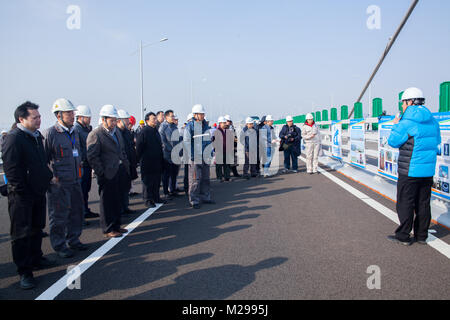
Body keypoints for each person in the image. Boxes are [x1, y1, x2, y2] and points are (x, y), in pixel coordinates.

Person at [2, 102, 55, 289]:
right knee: (21, 234)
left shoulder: (35, 136)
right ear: (21, 119)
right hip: (22, 197)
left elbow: (41, 162)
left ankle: (36, 258)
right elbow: (12, 170)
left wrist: (47, 178)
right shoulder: (14, 139)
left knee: (37, 228)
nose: (39, 120)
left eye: (39, 116)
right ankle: (24, 271)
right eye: (35, 117)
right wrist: (21, 191)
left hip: (37, 192)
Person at [387, 87, 441, 246]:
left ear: (409, 102)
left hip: (410, 170)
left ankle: (403, 236)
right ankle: (421, 236)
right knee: (423, 203)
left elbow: (393, 141)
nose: (402, 106)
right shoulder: (433, 121)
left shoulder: (405, 123)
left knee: (405, 202)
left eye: (403, 103)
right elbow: (436, 141)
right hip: (427, 170)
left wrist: (396, 125)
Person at [44, 98, 88, 258]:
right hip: (59, 184)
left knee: (77, 211)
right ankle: (59, 244)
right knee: (58, 215)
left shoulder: (74, 132)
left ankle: (74, 239)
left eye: (72, 112)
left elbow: (79, 153)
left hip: (76, 179)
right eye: (68, 113)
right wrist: (52, 178)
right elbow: (44, 159)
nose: (72, 115)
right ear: (58, 115)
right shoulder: (51, 133)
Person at [87, 105, 130, 238]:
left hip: (119, 171)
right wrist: (102, 172)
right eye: (111, 120)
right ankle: (108, 228)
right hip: (107, 174)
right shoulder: (96, 134)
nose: (114, 123)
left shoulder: (116, 132)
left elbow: (121, 150)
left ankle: (116, 225)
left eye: (115, 120)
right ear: (104, 119)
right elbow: (92, 156)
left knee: (117, 200)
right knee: (107, 202)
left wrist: (125, 164)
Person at [183, 104, 214, 209]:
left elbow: (208, 141)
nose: (203, 115)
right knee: (195, 180)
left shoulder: (205, 125)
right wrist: (192, 156)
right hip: (195, 157)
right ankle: (194, 200)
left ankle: (206, 197)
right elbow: (186, 142)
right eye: (201, 114)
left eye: (203, 114)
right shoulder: (189, 127)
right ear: (195, 115)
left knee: (206, 178)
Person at [74, 105, 98, 221]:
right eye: (87, 117)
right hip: (82, 164)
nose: (89, 119)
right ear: (80, 117)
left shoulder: (87, 129)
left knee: (86, 189)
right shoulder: (76, 130)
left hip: (88, 164)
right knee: (80, 191)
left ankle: (85, 210)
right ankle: (81, 214)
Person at [136, 112, 165, 208]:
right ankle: (147, 199)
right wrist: (141, 160)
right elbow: (139, 147)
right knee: (147, 182)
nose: (155, 120)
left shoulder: (155, 131)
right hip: (147, 162)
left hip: (157, 161)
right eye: (153, 119)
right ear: (147, 120)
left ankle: (156, 197)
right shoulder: (144, 132)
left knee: (156, 181)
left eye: (156, 119)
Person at [117, 109, 138, 215]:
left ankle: (125, 206)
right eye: (125, 119)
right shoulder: (116, 133)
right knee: (120, 189)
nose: (128, 122)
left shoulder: (126, 132)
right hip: (121, 165)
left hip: (129, 163)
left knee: (126, 187)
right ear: (119, 120)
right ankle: (120, 208)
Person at [159, 110, 181, 199]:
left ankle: (172, 190)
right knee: (166, 174)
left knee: (174, 173)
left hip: (175, 153)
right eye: (171, 116)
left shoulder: (174, 127)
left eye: (173, 116)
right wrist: (171, 150)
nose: (173, 118)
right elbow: (162, 141)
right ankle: (166, 192)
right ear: (166, 117)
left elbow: (178, 139)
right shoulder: (163, 127)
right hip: (167, 154)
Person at [213, 117, 231, 182]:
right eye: (223, 123)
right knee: (219, 165)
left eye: (225, 123)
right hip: (219, 151)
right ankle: (219, 177)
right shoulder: (217, 131)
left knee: (226, 165)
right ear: (220, 123)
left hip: (226, 150)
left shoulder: (227, 130)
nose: (225, 124)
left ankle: (227, 177)